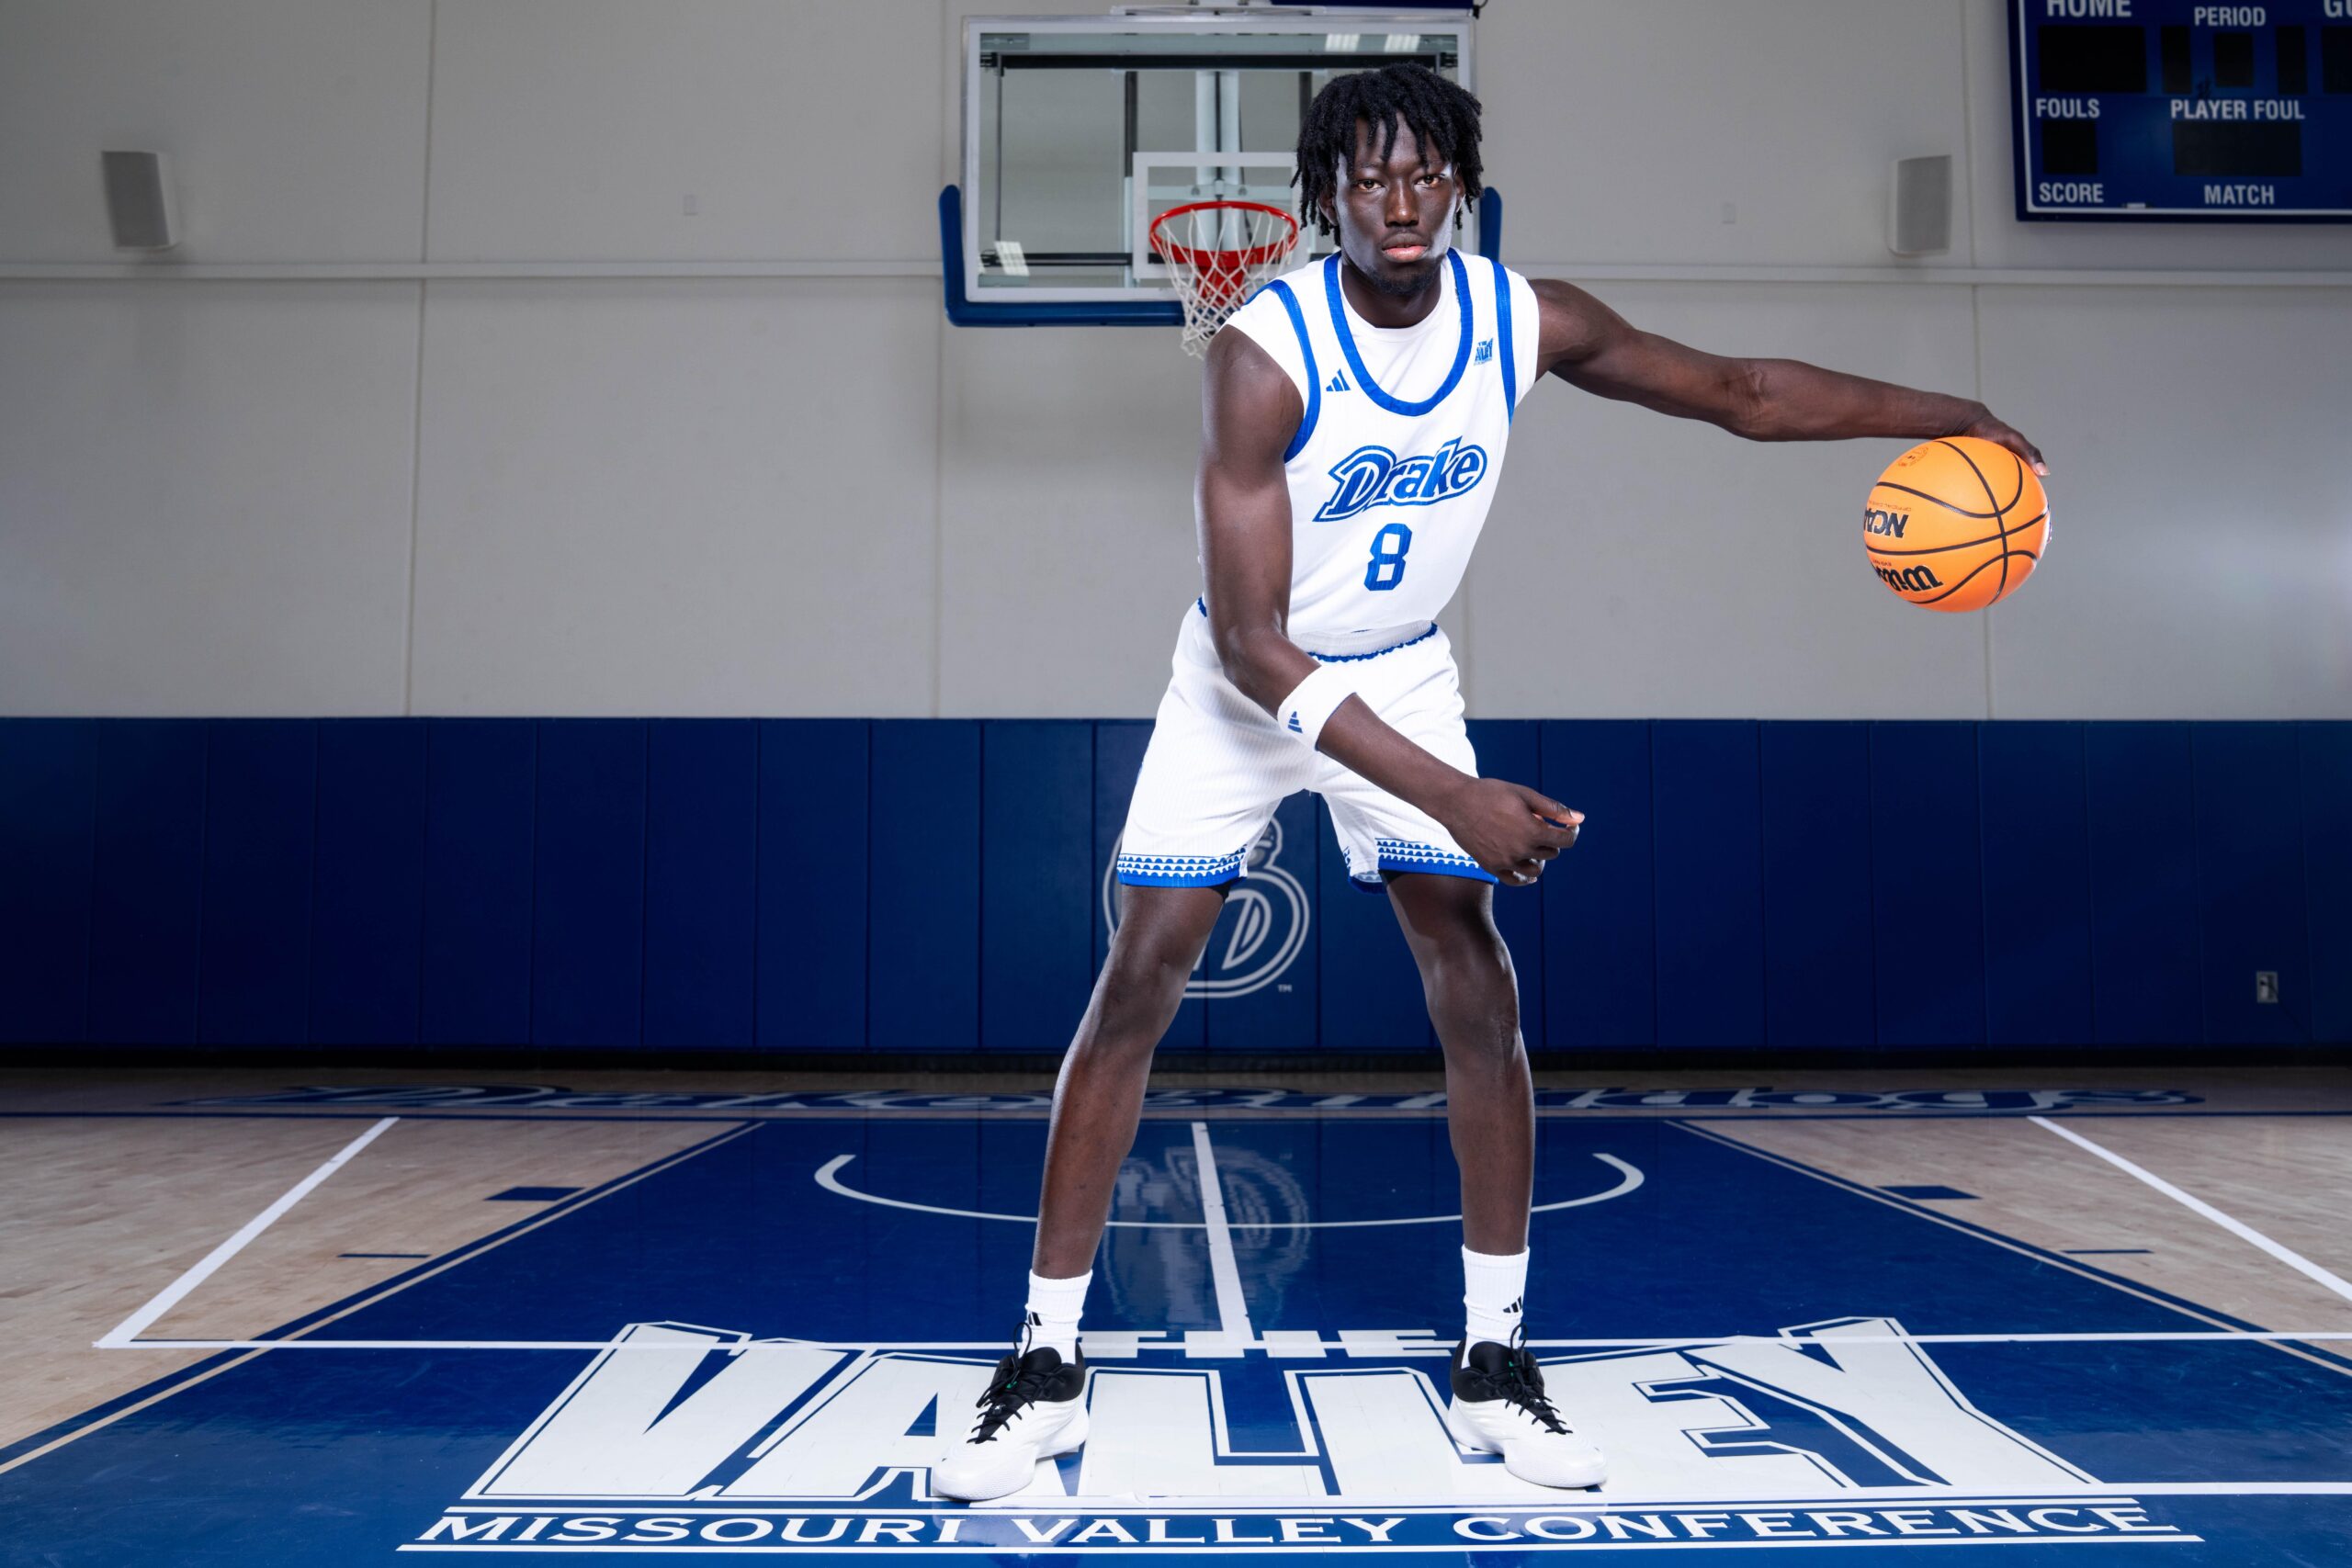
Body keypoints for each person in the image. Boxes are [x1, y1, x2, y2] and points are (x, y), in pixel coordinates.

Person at [933, 62, 2046, 1503]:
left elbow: (1742, 393)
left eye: (1424, 176)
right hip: (1244, 680)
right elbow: (1264, 649)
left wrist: (1944, 409)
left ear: (1459, 181)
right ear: (1325, 194)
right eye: (1370, 179)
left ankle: (1497, 1360)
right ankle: (1043, 1367)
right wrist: (1452, 798)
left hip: (1398, 663)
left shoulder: (1522, 319)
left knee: (1475, 976)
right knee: (1140, 978)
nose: (1399, 205)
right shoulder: (1264, 355)